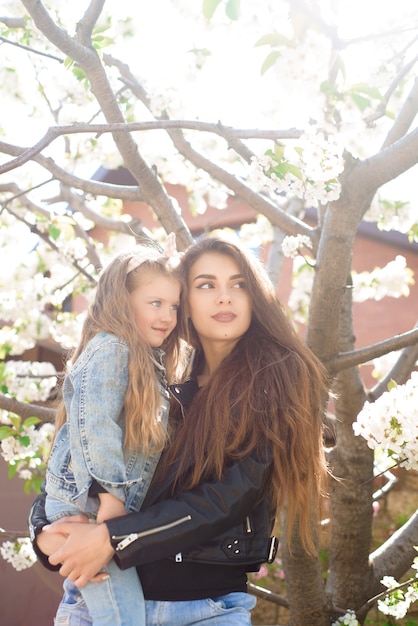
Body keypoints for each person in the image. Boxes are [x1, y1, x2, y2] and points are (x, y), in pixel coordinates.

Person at [29, 233, 328, 626]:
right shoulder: (155, 388)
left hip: (205, 609)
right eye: (206, 285)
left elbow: (229, 497)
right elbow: (80, 452)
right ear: (183, 302)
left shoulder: (276, 382)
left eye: (239, 284)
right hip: (98, 599)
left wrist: (115, 537)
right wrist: (44, 530)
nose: (225, 297)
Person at [41, 244, 183, 626]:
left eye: (174, 306)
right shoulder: (112, 348)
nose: (167, 316)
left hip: (96, 507)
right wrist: (111, 497)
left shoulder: (143, 359)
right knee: (122, 618)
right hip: (90, 508)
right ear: (122, 301)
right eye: (155, 302)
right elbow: (97, 425)